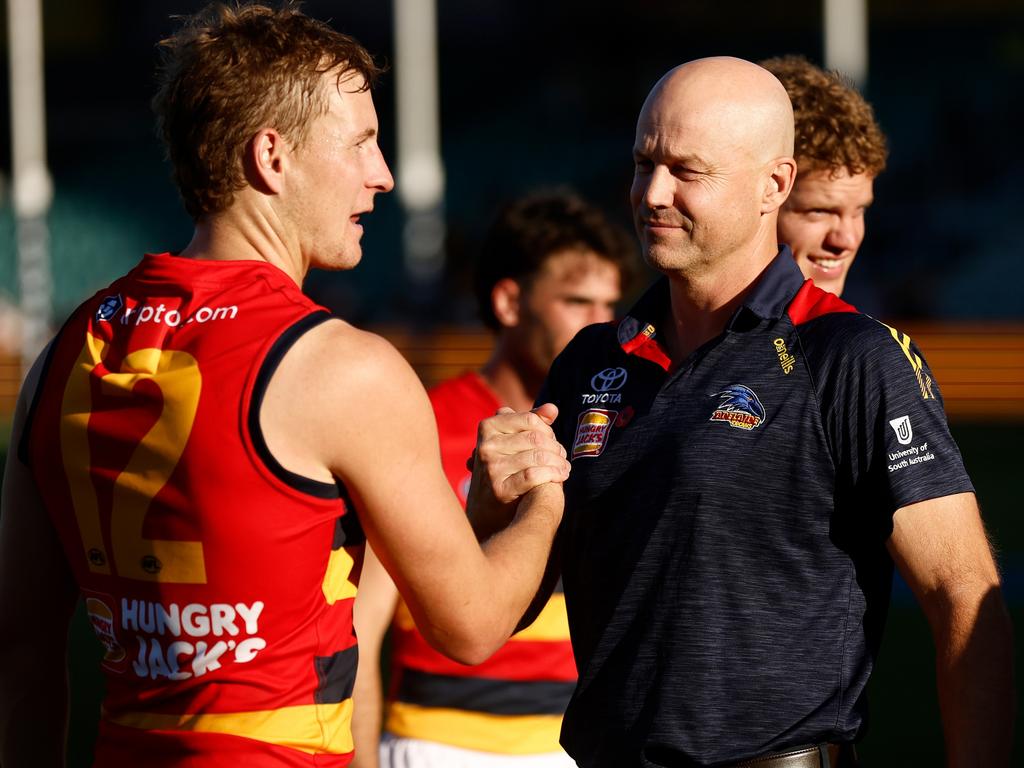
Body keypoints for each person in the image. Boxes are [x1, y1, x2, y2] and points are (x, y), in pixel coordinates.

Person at [0, 5, 570, 767]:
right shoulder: (341, 368)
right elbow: (470, 627)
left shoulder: (66, 350)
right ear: (272, 157)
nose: (384, 174)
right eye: (363, 142)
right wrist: (546, 498)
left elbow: (23, 658)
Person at [528, 57, 1013, 767]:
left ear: (768, 183)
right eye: (644, 163)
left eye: (686, 170)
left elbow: (965, 593)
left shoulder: (853, 356)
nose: (654, 191)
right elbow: (487, 610)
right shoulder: (596, 360)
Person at [351, 191, 635, 768]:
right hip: (440, 747)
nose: (600, 324)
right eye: (578, 301)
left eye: (610, 304)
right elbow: (359, 627)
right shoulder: (420, 425)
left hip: (583, 746)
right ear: (510, 301)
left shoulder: (619, 431)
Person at [760, 55, 887, 297]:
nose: (846, 240)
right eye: (819, 211)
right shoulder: (672, 327)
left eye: (859, 210)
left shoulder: (859, 334)